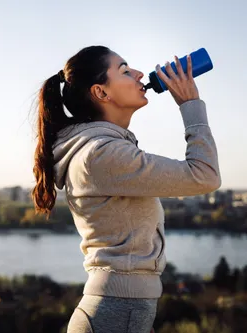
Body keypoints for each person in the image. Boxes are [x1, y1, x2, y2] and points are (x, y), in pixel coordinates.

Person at [31, 45, 221, 333]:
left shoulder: (106, 149)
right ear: (101, 92)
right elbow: (204, 176)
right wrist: (190, 104)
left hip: (122, 311)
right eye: (124, 70)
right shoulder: (101, 155)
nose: (140, 74)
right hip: (117, 312)